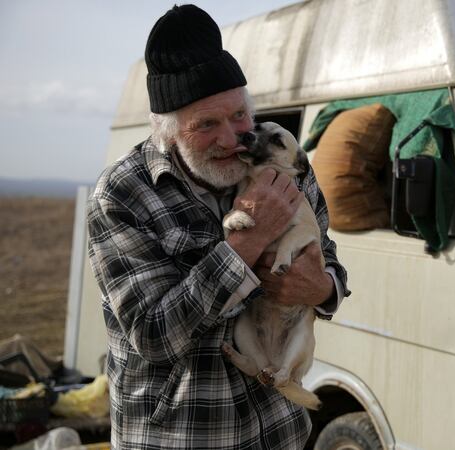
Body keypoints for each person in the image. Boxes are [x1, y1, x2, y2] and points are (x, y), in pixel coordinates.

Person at [86, 5, 349, 449]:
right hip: (182, 439)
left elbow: (331, 271)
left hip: (280, 435)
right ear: (169, 132)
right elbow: (152, 334)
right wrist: (245, 245)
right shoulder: (123, 195)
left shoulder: (289, 169)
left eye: (239, 116)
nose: (233, 139)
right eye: (207, 125)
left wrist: (321, 289)